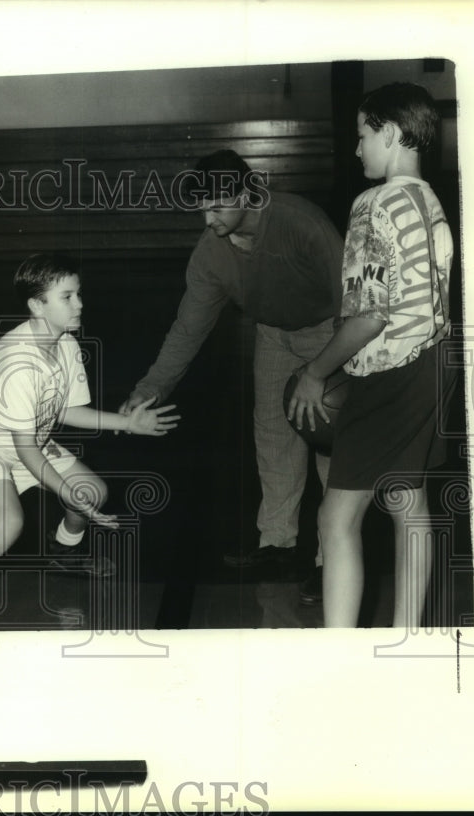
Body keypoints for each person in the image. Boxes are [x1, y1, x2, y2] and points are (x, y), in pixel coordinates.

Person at [0, 254, 179, 631]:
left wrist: (127, 423)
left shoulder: (65, 343)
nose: (80, 304)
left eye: (79, 294)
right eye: (67, 297)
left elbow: (69, 410)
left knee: (93, 492)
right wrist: (68, 490)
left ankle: (64, 552)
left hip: (26, 437)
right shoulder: (17, 363)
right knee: (7, 523)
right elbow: (27, 451)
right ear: (37, 305)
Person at [120, 149, 343, 590]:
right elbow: (187, 330)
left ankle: (330, 560)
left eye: (216, 206)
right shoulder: (210, 257)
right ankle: (277, 545)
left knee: (328, 443)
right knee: (273, 436)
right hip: (274, 334)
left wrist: (324, 372)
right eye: (201, 207)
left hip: (330, 332)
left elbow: (354, 302)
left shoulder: (302, 222)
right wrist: (151, 388)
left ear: (247, 194)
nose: (206, 219)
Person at [288, 82, 454, 628]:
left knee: (336, 517)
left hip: (387, 373)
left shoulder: (373, 205)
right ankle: (409, 639)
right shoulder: (430, 201)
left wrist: (316, 371)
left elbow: (370, 314)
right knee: (409, 506)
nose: (357, 149)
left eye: (362, 136)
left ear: (389, 132)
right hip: (434, 367)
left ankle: (341, 653)